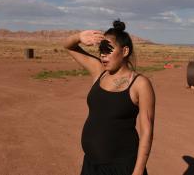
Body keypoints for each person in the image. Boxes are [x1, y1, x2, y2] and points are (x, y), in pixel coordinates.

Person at [63, 20, 155, 175]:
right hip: (92, 165)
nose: (103, 56)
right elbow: (67, 46)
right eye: (101, 51)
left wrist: (138, 172)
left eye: (108, 50)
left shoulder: (140, 84)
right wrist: (79, 37)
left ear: (125, 51)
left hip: (122, 167)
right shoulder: (99, 71)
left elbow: (147, 132)